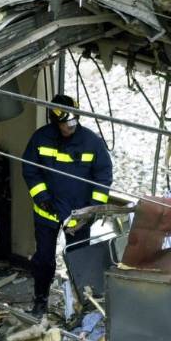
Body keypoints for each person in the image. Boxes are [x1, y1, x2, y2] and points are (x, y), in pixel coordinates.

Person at [22, 94, 113, 317]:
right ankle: (40, 302)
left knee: (79, 261)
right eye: (65, 123)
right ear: (54, 121)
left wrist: (92, 210)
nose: (70, 126)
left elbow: (103, 176)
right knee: (43, 261)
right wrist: (42, 197)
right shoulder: (40, 139)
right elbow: (30, 170)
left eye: (74, 121)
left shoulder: (91, 142)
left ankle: (83, 306)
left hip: (78, 216)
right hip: (47, 214)